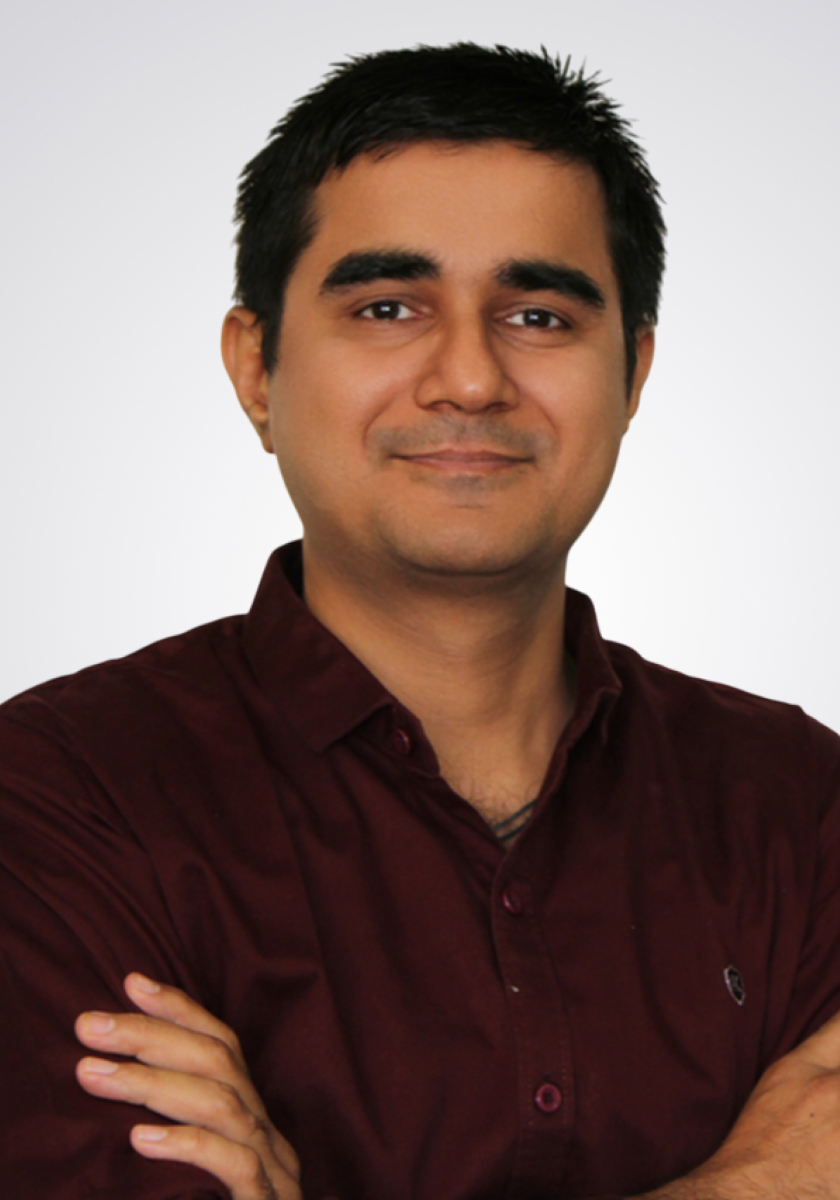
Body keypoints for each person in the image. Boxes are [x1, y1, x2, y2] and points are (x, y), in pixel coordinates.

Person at [1, 42, 840, 1200]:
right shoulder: (57, 799)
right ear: (256, 368)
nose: (471, 379)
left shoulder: (801, 806)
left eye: (539, 314)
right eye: (388, 307)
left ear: (633, 374)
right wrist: (749, 1187)